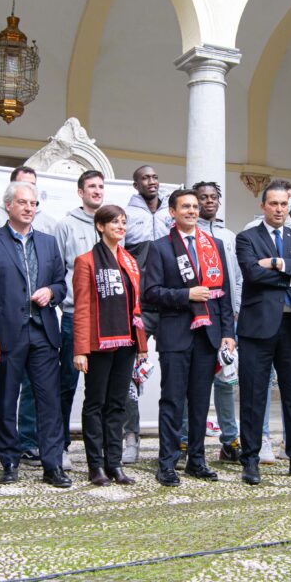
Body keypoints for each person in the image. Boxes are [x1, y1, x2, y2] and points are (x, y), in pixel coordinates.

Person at [0, 181, 70, 487]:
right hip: (6, 334)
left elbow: (61, 284)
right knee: (5, 399)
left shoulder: (49, 242)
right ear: (8, 206)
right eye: (23, 203)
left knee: (49, 402)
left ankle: (52, 464)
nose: (29, 208)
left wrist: (50, 292)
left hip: (43, 332)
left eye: (33, 204)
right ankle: (9, 460)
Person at [143, 189, 234, 486]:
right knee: (172, 401)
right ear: (172, 212)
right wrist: (186, 295)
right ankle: (167, 461)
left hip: (208, 336)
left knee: (199, 401)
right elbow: (151, 293)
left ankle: (197, 459)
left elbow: (224, 295)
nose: (193, 211)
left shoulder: (214, 245)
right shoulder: (159, 247)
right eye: (186, 206)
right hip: (175, 334)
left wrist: (227, 335)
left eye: (195, 206)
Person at [236, 180, 291, 486]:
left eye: (284, 204)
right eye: (273, 204)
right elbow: (252, 274)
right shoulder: (246, 238)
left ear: (289, 205)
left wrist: (276, 263)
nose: (279, 209)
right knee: (253, 396)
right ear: (263, 207)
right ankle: (251, 460)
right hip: (257, 329)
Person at [72, 205, 147, 486]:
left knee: (118, 404)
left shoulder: (129, 260)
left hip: (126, 342)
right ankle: (96, 465)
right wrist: (79, 349)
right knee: (95, 403)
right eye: (114, 221)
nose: (120, 225)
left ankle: (114, 464)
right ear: (100, 226)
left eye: (123, 221)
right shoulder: (86, 261)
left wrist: (140, 345)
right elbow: (82, 308)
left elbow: (136, 306)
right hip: (98, 344)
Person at [184, 181, 243, 463]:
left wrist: (236, 310)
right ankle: (185, 440)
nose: (208, 202)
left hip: (226, 318)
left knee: (226, 380)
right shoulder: (186, 235)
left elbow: (236, 277)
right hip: (195, 317)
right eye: (202, 198)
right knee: (191, 383)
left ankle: (230, 439)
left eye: (213, 197)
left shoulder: (228, 237)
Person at [121, 165, 174, 464]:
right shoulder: (128, 215)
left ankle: (172, 439)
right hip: (138, 307)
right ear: (135, 184)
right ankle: (131, 437)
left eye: (155, 177)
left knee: (174, 374)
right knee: (128, 377)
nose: (151, 181)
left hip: (169, 305)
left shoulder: (172, 210)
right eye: (145, 178)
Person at [55, 170, 106, 473]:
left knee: (99, 390)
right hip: (75, 316)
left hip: (106, 319)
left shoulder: (111, 222)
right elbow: (58, 269)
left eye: (101, 186)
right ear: (80, 192)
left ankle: (96, 451)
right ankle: (60, 446)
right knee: (66, 384)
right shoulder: (66, 225)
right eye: (91, 187)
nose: (97, 191)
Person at [0, 165, 56, 235]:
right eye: (23, 183)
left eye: (32, 184)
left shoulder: (49, 223)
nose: (28, 188)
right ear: (12, 185)